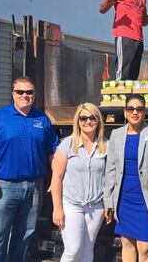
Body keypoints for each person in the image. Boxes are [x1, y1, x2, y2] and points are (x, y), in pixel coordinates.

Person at [0, 76, 60, 262]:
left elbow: (54, 151)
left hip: (34, 187)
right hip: (4, 187)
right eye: (20, 91)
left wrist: (55, 178)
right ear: (13, 94)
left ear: (34, 95)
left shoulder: (42, 120)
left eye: (29, 92)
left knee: (24, 237)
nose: (24, 95)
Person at [104, 94, 148, 262]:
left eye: (139, 109)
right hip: (124, 199)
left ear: (144, 112)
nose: (134, 112)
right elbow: (111, 169)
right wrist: (108, 201)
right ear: (125, 112)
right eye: (130, 109)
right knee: (127, 244)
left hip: (147, 200)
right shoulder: (116, 134)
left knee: (145, 248)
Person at [50, 103, 108, 262]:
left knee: (88, 248)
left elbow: (110, 177)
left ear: (98, 120)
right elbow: (56, 178)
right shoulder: (67, 144)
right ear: (78, 121)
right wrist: (57, 208)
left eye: (92, 118)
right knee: (73, 249)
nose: (88, 121)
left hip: (96, 206)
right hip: (71, 204)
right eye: (83, 118)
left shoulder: (105, 145)